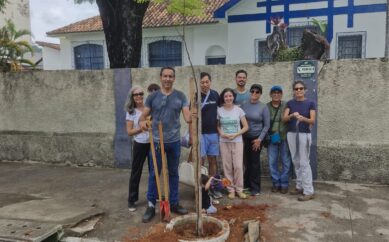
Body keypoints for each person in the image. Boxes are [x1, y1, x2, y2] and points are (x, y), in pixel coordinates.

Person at [139, 67, 191, 222]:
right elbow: (143, 116)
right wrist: (142, 122)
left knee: (174, 173)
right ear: (161, 77)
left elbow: (187, 117)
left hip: (174, 141)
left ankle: (174, 203)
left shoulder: (180, 96)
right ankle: (150, 205)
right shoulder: (152, 97)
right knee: (155, 173)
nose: (168, 79)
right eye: (165, 76)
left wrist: (193, 115)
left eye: (170, 76)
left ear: (174, 78)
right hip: (156, 141)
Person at [282, 80, 316, 202]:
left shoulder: (311, 103)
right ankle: (300, 186)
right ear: (293, 91)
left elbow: (312, 121)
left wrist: (304, 119)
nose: (299, 91)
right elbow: (284, 119)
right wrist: (292, 116)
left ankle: (309, 191)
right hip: (291, 134)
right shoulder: (290, 103)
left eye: (301, 88)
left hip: (304, 134)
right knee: (296, 161)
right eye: (296, 89)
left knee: (304, 162)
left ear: (305, 90)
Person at [217, 88, 249, 199]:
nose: (228, 98)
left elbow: (246, 126)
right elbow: (217, 126)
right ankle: (230, 189)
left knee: (238, 166)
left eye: (230, 96)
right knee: (227, 167)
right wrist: (222, 133)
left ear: (233, 97)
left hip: (237, 141)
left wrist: (236, 134)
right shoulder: (219, 110)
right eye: (226, 96)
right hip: (224, 141)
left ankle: (239, 189)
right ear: (223, 98)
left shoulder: (238, 110)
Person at [241, 84, 270, 196]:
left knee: (254, 163)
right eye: (252, 91)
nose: (254, 93)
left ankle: (255, 188)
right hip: (245, 137)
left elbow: (266, 126)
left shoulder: (263, 107)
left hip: (256, 138)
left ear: (260, 94)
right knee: (246, 162)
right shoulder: (244, 105)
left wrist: (259, 139)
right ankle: (246, 185)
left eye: (257, 92)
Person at [125, 86, 150, 212]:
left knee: (155, 171)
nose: (139, 96)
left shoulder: (148, 109)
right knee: (136, 171)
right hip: (140, 144)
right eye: (136, 95)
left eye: (141, 93)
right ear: (132, 97)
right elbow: (129, 132)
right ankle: (132, 199)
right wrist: (142, 128)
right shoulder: (131, 112)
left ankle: (153, 196)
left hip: (152, 143)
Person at [198, 72, 222, 199]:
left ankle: (212, 187)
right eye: (202, 82)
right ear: (199, 83)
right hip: (201, 134)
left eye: (207, 82)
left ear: (210, 82)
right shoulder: (195, 96)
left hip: (213, 134)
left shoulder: (215, 94)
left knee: (213, 161)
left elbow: (221, 112)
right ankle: (202, 189)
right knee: (201, 162)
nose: (205, 84)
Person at [267, 85, 292, 194]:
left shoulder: (287, 105)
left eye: (278, 92)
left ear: (281, 94)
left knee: (286, 161)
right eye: (274, 92)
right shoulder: (266, 106)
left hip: (284, 137)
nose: (276, 94)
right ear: (270, 94)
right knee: (272, 161)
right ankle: (276, 183)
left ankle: (284, 183)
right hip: (272, 138)